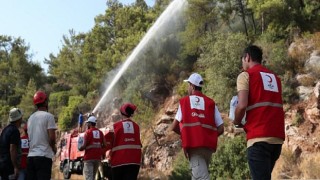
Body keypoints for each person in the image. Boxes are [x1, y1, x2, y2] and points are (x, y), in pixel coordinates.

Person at [233, 45, 285, 180]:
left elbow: (242, 104)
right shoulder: (275, 78)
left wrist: (236, 121)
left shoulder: (245, 76)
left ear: (247, 57)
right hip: (277, 138)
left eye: (242, 60)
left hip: (258, 137)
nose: (242, 63)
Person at [169, 73, 224, 180]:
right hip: (208, 149)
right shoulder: (210, 103)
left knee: (202, 178)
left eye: (188, 85)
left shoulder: (185, 102)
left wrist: (188, 135)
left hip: (194, 148)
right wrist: (208, 136)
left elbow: (173, 126)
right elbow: (221, 128)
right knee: (197, 176)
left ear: (192, 86)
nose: (188, 88)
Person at [106, 103, 142, 180]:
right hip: (134, 161)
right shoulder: (137, 127)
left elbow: (108, 142)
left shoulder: (116, 126)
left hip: (119, 162)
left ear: (121, 113)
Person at [27, 91, 57, 180]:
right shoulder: (49, 116)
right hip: (43, 157)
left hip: (31, 157)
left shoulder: (30, 118)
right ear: (45, 102)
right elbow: (52, 138)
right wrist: (54, 149)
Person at [79, 116, 106, 180]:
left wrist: (80, 148)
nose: (87, 124)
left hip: (89, 158)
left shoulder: (87, 132)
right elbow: (105, 144)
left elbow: (84, 145)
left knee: (89, 177)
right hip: (97, 158)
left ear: (90, 124)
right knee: (93, 177)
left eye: (88, 123)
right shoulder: (100, 132)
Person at [0, 108, 23, 180]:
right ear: (18, 119)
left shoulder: (5, 129)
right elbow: (12, 149)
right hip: (9, 167)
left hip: (2, 165)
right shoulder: (14, 131)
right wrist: (15, 167)